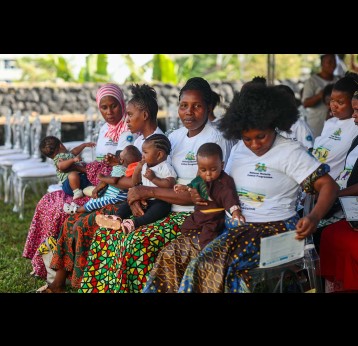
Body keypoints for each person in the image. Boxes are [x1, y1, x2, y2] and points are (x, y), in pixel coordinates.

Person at [144, 82, 338, 293]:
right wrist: (200, 194)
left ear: (274, 124)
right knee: (172, 255)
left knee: (207, 264)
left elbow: (329, 186)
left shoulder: (290, 151)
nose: (254, 144)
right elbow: (221, 186)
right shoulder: (238, 149)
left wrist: (313, 217)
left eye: (260, 137)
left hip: (272, 230)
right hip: (230, 226)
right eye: (247, 138)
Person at [77, 77, 235, 293]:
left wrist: (148, 191)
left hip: (192, 216)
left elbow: (202, 195)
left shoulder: (215, 141)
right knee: (107, 234)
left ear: (208, 108)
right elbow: (153, 172)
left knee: (136, 243)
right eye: (184, 106)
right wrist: (137, 196)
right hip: (161, 207)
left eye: (197, 106)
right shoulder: (175, 137)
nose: (189, 112)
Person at [38, 83, 168, 292]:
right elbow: (129, 173)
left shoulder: (155, 144)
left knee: (81, 223)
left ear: (144, 115)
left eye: (130, 114)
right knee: (72, 219)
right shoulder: (143, 139)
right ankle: (60, 282)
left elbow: (137, 182)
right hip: (123, 195)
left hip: (129, 200)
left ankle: (79, 284)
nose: (126, 119)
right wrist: (109, 177)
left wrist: (107, 180)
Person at [23, 83, 135, 280]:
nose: (109, 112)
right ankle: (44, 261)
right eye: (104, 107)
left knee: (61, 208)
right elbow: (98, 162)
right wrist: (85, 169)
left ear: (123, 103)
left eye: (114, 105)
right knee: (48, 201)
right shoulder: (104, 129)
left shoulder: (129, 129)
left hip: (110, 186)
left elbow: (121, 167)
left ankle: (62, 271)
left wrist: (84, 170)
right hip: (92, 178)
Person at [315, 91, 358, 292]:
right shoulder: (356, 139)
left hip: (349, 200)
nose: (354, 116)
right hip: (350, 204)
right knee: (327, 232)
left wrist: (337, 195)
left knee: (329, 232)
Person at [96, 134, 177, 233]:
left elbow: (169, 185)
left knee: (160, 209)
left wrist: (154, 178)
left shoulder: (165, 167)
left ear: (159, 155)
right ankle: (117, 218)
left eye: (145, 152)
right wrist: (137, 170)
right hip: (145, 198)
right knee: (127, 204)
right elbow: (135, 183)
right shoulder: (145, 166)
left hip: (159, 200)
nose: (142, 155)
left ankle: (135, 223)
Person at [173, 142, 243, 248]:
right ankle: (196, 239)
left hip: (213, 218)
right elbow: (193, 185)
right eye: (203, 170)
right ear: (198, 167)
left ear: (222, 165)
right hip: (199, 214)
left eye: (213, 169)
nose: (208, 174)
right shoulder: (201, 178)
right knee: (185, 227)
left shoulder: (225, 181)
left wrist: (235, 211)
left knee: (206, 239)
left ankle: (207, 255)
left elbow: (230, 197)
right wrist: (185, 187)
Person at [64, 145, 142, 214]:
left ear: (121, 160)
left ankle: (76, 210)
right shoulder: (126, 169)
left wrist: (102, 177)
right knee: (95, 199)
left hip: (115, 196)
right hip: (114, 193)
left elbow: (114, 180)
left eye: (120, 156)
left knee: (94, 203)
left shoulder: (121, 169)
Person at [312, 72, 358, 180]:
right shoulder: (330, 122)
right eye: (332, 100)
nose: (333, 105)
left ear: (353, 102)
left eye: (340, 102)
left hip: (335, 186)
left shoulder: (355, 125)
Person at [302, 54, 338, 139]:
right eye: (329, 62)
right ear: (322, 64)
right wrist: (321, 95)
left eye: (334, 62)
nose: (333, 64)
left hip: (334, 123)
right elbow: (305, 103)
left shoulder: (338, 80)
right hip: (316, 125)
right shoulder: (312, 81)